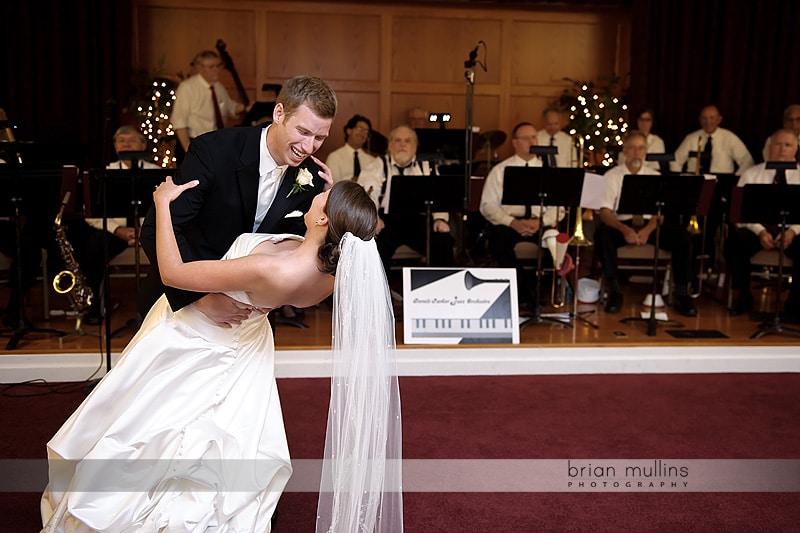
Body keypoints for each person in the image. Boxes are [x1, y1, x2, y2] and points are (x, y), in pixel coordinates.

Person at [40, 179, 403, 532]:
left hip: (195, 336)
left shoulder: (272, 267)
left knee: (154, 428)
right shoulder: (332, 272)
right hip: (247, 344)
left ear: (324, 219)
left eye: (327, 196)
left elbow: (173, 273)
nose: (321, 192)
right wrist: (342, 196)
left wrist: (163, 205)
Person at [137, 75, 338, 324]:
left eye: (319, 138)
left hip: (250, 319)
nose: (308, 147)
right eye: (303, 132)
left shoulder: (313, 179)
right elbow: (153, 229)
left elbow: (303, 253)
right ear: (279, 113)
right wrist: (200, 300)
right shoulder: (213, 150)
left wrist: (331, 205)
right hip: (181, 308)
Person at [594, 131, 698, 317]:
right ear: (624, 151)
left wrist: (648, 230)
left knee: (683, 238)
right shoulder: (612, 176)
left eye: (640, 148)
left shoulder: (655, 176)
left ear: (646, 151)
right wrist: (624, 229)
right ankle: (615, 290)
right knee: (602, 236)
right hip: (622, 226)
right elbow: (604, 212)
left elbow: (660, 213)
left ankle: (682, 293)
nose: (636, 152)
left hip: (649, 228)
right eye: (632, 148)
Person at [479, 122, 566, 308]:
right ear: (515, 143)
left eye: (534, 137)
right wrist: (512, 223)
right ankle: (525, 291)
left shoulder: (547, 170)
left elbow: (558, 207)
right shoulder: (500, 170)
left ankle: (544, 292)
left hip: (539, 224)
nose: (532, 141)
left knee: (556, 245)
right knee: (498, 244)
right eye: (527, 138)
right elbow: (487, 205)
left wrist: (540, 222)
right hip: (509, 224)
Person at [358, 124, 455, 272]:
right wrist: (373, 217)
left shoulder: (427, 167)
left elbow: (439, 196)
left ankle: (438, 289)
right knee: (374, 247)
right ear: (390, 145)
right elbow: (367, 196)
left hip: (419, 220)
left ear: (415, 146)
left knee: (443, 241)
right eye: (397, 140)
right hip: (387, 222)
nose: (402, 144)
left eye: (407, 141)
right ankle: (382, 292)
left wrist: (440, 219)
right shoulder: (376, 166)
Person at [725, 129, 800, 318]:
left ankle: (795, 304)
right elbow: (739, 214)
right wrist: (760, 232)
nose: (782, 149)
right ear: (768, 147)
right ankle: (744, 297)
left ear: (796, 149)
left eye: (787, 145)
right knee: (734, 242)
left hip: (792, 232)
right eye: (777, 144)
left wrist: (792, 232)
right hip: (758, 231)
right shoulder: (751, 175)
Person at [171, 50, 247, 164]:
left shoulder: (218, 87)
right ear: (200, 68)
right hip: (195, 144)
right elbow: (179, 123)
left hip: (214, 143)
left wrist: (247, 108)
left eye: (218, 66)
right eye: (211, 67)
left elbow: (231, 108)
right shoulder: (187, 88)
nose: (216, 70)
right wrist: (189, 151)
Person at [671, 104, 754, 175]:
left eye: (712, 118)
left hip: (721, 183)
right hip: (695, 183)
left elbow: (747, 161)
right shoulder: (691, 138)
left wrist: (735, 180)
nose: (708, 122)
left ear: (719, 119)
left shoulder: (730, 138)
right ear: (699, 120)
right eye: (704, 118)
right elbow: (676, 160)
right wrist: (679, 181)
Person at [325, 114, 377, 182]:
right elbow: (332, 185)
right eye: (360, 129)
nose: (362, 134)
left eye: (366, 131)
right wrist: (350, 182)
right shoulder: (335, 157)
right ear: (349, 130)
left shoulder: (372, 161)